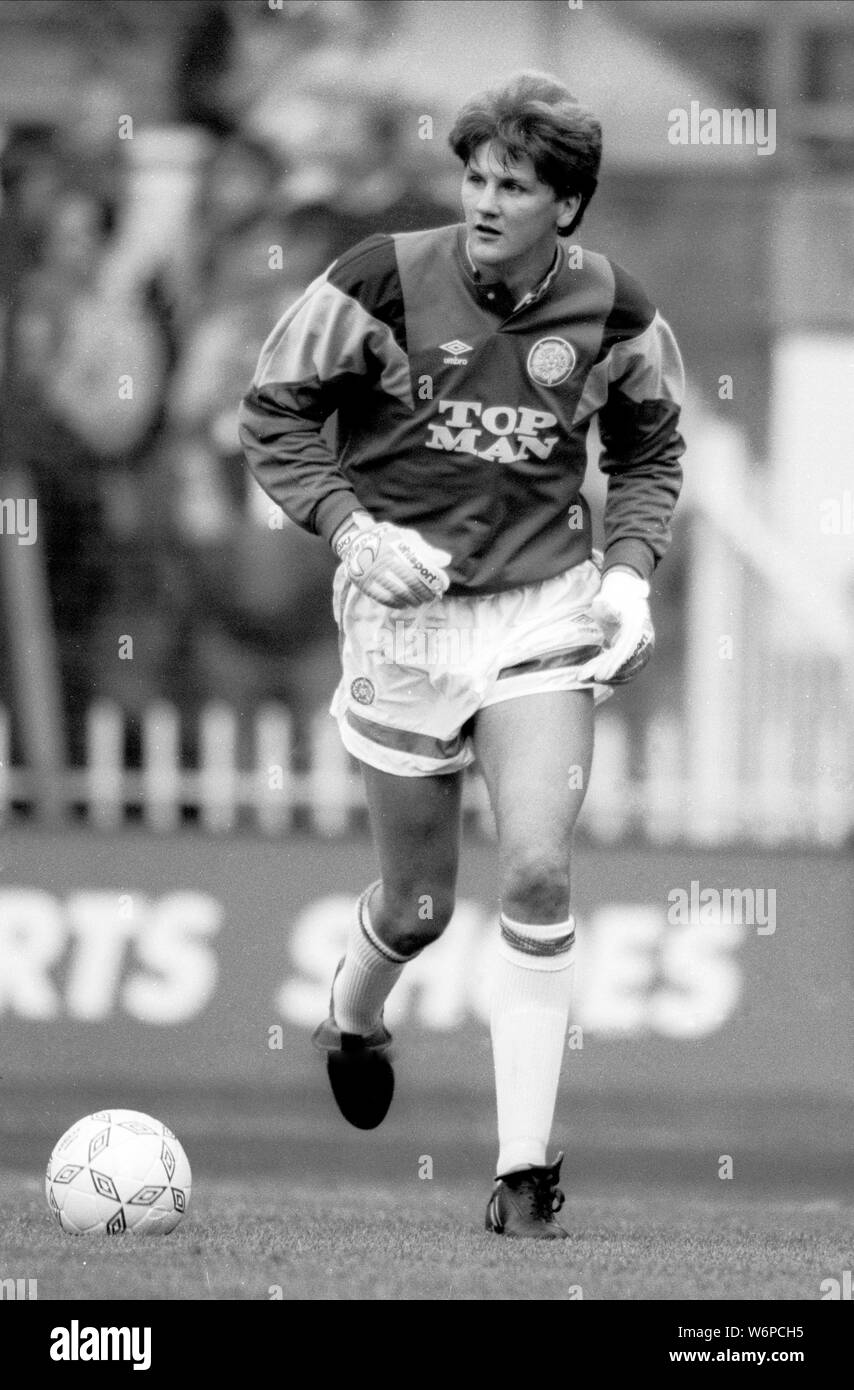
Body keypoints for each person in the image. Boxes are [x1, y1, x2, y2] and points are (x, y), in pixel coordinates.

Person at [239, 71, 685, 1239]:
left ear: (567, 208)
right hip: (403, 617)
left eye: (516, 185)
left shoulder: (616, 313)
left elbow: (650, 452)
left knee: (534, 872)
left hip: (541, 607)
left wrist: (630, 577)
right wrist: (350, 527)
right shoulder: (376, 281)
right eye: (475, 178)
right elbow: (273, 410)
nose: (485, 201)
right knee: (423, 902)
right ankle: (355, 1006)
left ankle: (524, 1172)